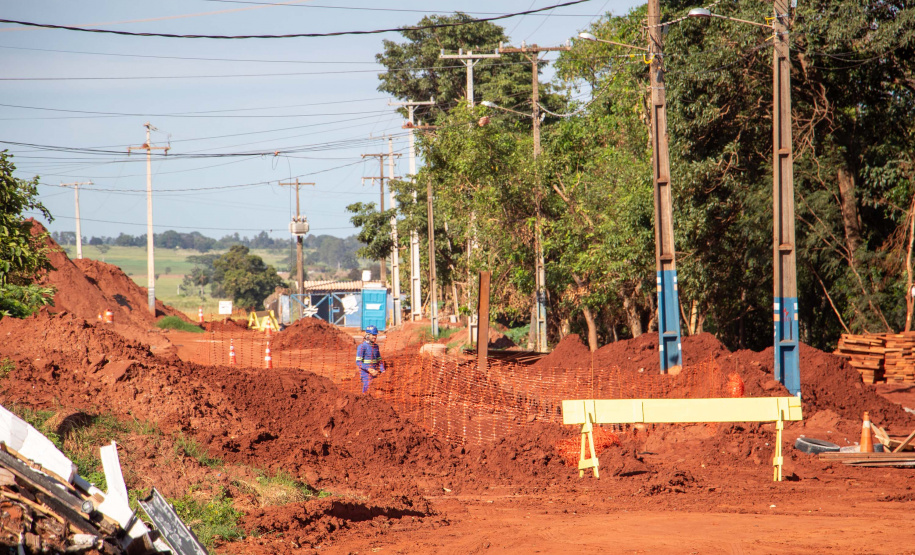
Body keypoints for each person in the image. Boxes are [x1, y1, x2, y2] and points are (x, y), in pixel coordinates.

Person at [356, 325, 384, 393]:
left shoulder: (376, 347)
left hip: (375, 372)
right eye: (373, 335)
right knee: (368, 386)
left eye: (376, 335)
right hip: (365, 373)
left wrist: (383, 370)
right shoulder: (362, 346)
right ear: (367, 336)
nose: (375, 337)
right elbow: (358, 362)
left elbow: (379, 360)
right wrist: (368, 369)